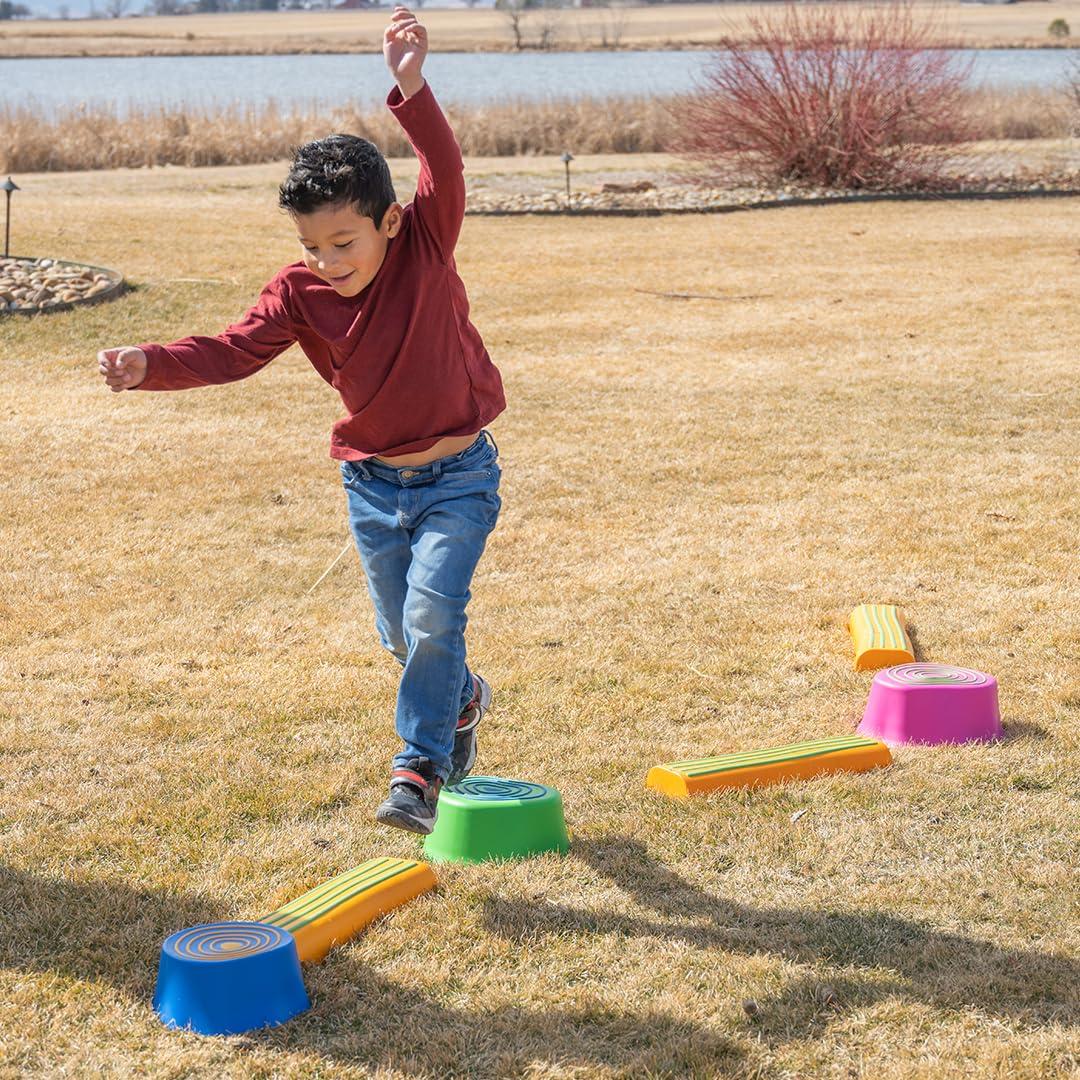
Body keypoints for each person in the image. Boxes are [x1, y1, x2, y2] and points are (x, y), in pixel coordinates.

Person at [96, 5, 506, 835]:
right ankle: (461, 697)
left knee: (433, 616)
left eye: (345, 242)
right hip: (372, 485)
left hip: (459, 475)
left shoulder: (425, 245)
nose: (329, 261)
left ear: (389, 223)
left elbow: (443, 168)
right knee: (404, 631)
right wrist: (152, 364)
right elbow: (232, 349)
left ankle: (416, 770)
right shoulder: (298, 292)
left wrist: (412, 87)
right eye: (314, 245)